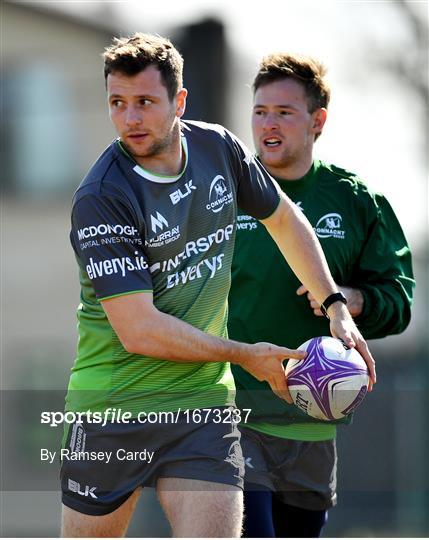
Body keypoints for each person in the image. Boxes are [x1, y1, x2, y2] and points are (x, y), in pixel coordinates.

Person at [61, 34, 376, 538]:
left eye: (145, 102)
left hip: (202, 406)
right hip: (113, 407)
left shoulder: (218, 149)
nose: (130, 118)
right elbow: (140, 331)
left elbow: (286, 221)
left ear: (179, 102)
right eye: (117, 104)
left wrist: (334, 301)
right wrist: (245, 354)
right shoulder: (103, 196)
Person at [228, 53, 414, 538]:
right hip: (233, 411)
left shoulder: (355, 202)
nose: (268, 123)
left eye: (284, 112)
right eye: (260, 111)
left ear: (317, 121)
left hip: (314, 418)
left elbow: (399, 300)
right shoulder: (220, 196)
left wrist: (350, 300)